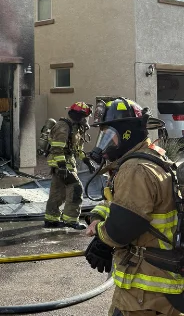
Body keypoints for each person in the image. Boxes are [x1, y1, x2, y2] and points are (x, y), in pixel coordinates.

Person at [84, 97, 184, 316]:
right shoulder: (149, 157)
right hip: (156, 286)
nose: (104, 144)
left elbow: (121, 230)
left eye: (109, 135)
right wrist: (97, 216)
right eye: (102, 136)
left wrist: (102, 237)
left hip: (145, 291)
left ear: (127, 132)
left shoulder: (135, 169)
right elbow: (120, 202)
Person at [43, 101, 94, 230]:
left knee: (58, 192)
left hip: (65, 163)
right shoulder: (63, 127)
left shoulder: (75, 128)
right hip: (62, 164)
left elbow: (77, 149)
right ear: (78, 115)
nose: (85, 120)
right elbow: (57, 148)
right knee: (76, 189)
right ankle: (71, 220)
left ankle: (51, 219)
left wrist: (87, 162)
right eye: (84, 116)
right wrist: (61, 166)